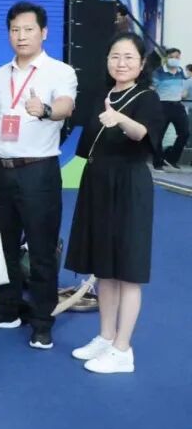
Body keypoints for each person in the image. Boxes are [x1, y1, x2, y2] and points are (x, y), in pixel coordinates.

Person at [0, 1, 77, 350]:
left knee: (41, 248)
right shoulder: (0, 74)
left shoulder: (59, 71)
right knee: (2, 244)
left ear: (43, 32)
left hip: (38, 172)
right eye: (15, 30)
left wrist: (46, 109)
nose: (21, 36)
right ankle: (6, 308)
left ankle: (42, 320)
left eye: (28, 29)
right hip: (1, 170)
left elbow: (66, 106)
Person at [66, 33, 164, 373]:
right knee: (103, 268)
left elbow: (142, 134)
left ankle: (123, 349)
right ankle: (106, 337)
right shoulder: (101, 95)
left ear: (141, 62)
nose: (121, 63)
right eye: (115, 56)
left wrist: (121, 119)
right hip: (97, 183)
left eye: (128, 57)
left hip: (129, 186)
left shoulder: (147, 97)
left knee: (128, 270)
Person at [153, 47, 189, 170]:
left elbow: (183, 83)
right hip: (162, 105)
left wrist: (182, 92)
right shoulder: (158, 72)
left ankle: (171, 159)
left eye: (177, 57)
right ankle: (158, 163)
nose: (174, 59)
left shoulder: (180, 71)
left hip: (177, 105)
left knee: (185, 133)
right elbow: (152, 89)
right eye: (172, 57)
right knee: (159, 135)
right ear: (166, 58)